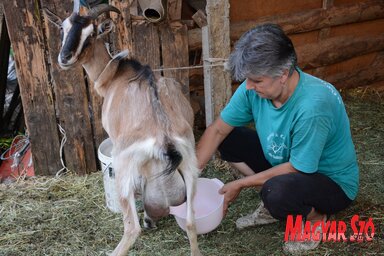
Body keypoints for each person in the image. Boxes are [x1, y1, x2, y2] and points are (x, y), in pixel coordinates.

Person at [196, 23, 359, 254]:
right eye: (248, 79)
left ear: (283, 74)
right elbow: (218, 130)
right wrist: (190, 177)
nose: (249, 86)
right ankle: (270, 196)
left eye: (257, 81)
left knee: (277, 192)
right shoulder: (253, 88)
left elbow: (297, 168)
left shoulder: (313, 106)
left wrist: (241, 183)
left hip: (330, 181)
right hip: (285, 160)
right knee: (229, 139)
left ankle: (315, 217)